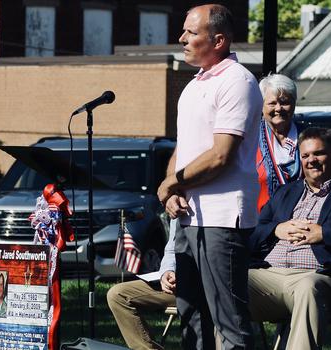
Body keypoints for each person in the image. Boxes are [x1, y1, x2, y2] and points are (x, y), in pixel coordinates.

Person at [157, 4, 263, 349]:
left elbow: (220, 155)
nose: (182, 38)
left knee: (229, 322)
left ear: (218, 40)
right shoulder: (193, 85)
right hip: (189, 216)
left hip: (222, 218)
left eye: (191, 32)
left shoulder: (238, 81)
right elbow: (184, 148)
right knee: (192, 317)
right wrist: (173, 188)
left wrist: (173, 183)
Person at [249, 127, 331, 349]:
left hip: (317, 276)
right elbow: (251, 234)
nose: (312, 161)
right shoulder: (286, 192)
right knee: (227, 282)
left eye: (319, 153)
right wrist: (276, 229)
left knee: (308, 287)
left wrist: (324, 234)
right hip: (269, 274)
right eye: (305, 156)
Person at [107, 220, 177, 350]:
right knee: (118, 294)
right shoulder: (177, 209)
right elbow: (171, 250)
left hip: (209, 287)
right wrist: (168, 271)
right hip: (176, 286)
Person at [257, 74, 302, 212]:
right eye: (272, 103)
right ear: (261, 105)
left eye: (284, 102)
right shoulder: (249, 138)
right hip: (259, 223)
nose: (278, 108)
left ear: (294, 104)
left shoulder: (309, 137)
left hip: (302, 222)